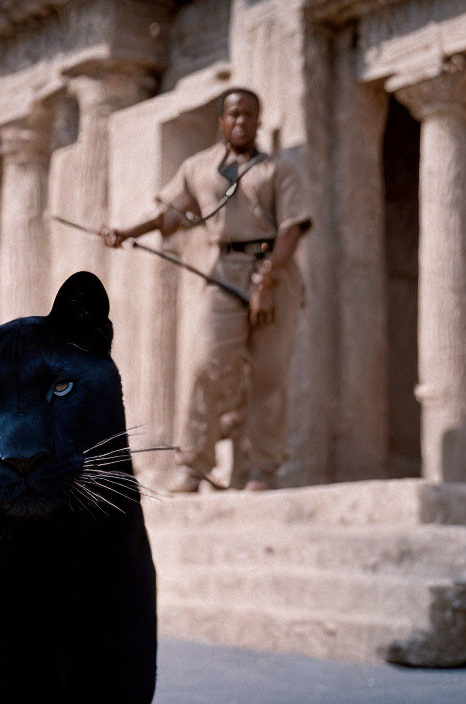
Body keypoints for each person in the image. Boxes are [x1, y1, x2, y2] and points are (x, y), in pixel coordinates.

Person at [101, 87, 311, 491]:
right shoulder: (199, 168)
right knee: (205, 366)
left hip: (274, 272)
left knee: (269, 373)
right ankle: (195, 463)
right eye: (234, 114)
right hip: (223, 271)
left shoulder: (277, 171)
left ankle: (263, 468)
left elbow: (292, 228)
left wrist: (267, 279)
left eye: (250, 115)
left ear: (258, 120)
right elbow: (170, 213)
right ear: (221, 121)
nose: (241, 122)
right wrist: (127, 231)